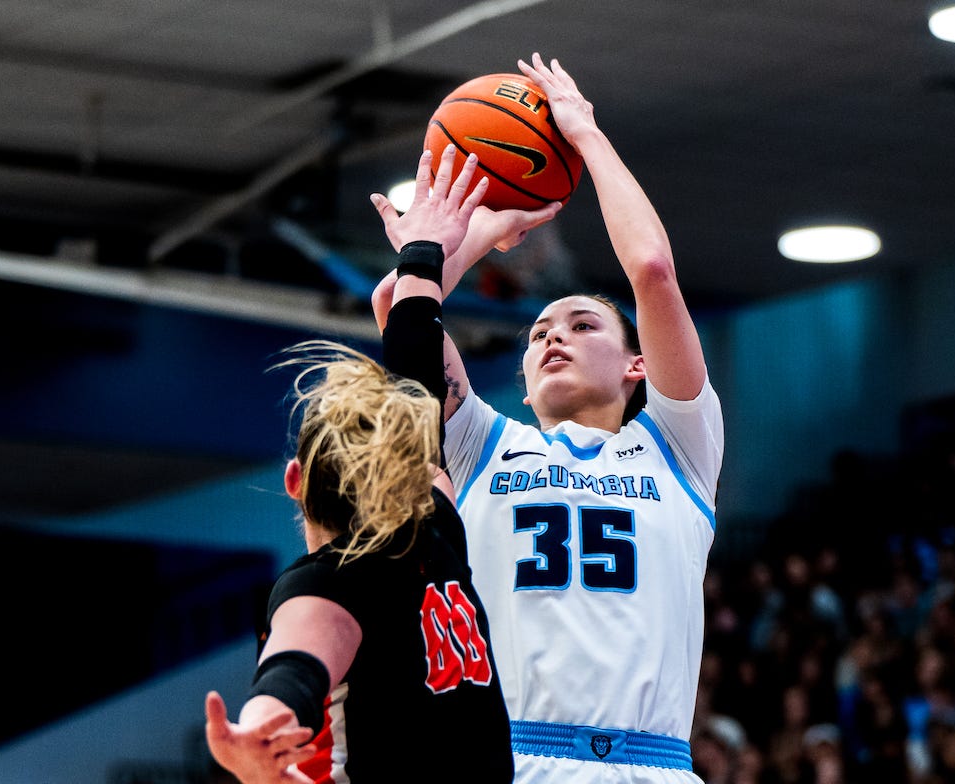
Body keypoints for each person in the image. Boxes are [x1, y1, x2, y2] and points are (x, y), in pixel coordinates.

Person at [371, 53, 724, 782]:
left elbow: (652, 269)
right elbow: (398, 310)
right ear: (525, 387)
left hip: (654, 764)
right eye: (537, 334)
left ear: (637, 366)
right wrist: (480, 231)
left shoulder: (679, 447)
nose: (553, 337)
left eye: (583, 325)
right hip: (511, 759)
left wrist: (585, 134)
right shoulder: (482, 445)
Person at [204, 145, 528, 783]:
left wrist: (255, 730)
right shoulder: (436, 529)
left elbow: (294, 671)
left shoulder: (326, 583)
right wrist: (424, 253)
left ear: (295, 480)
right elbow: (416, 371)